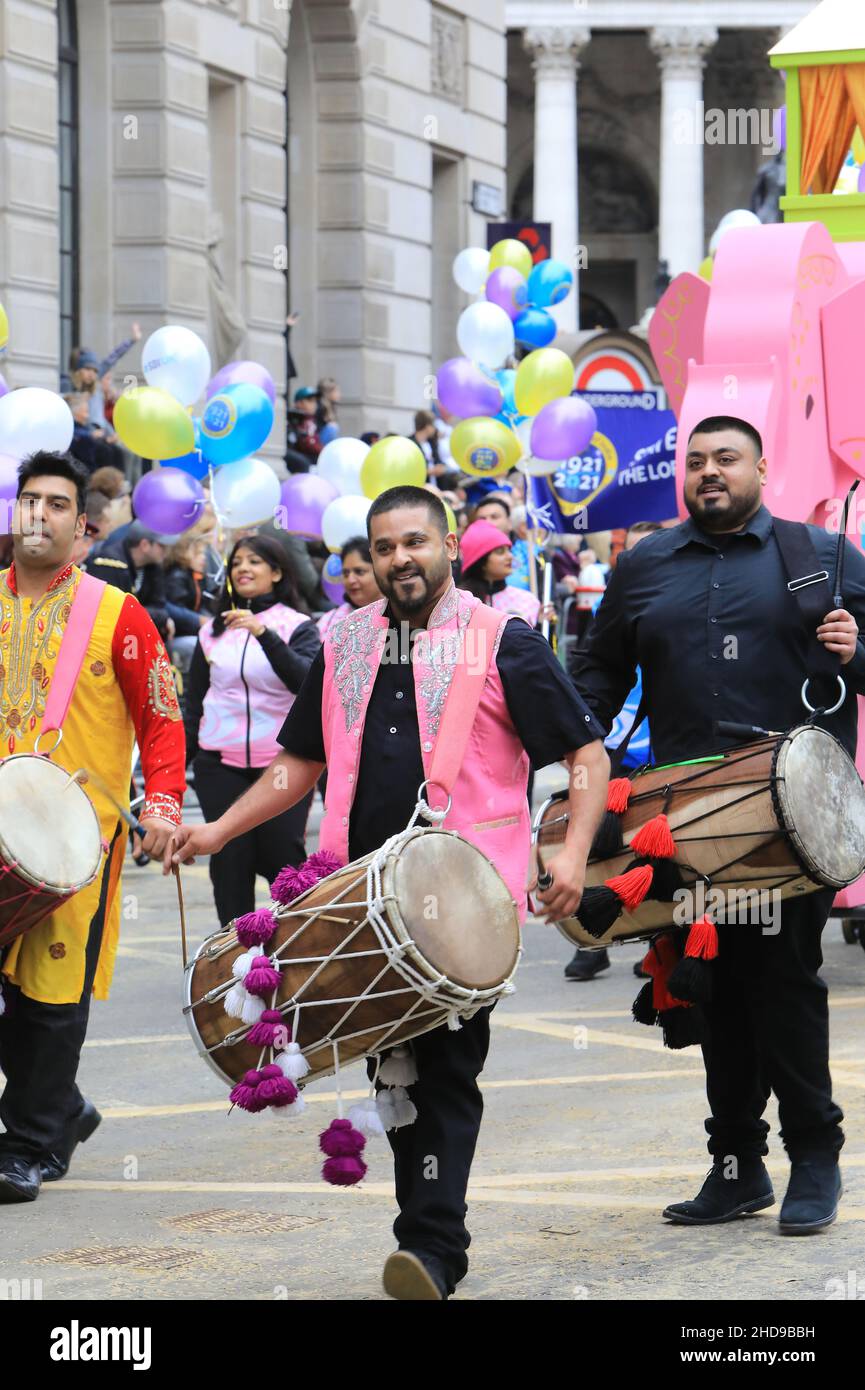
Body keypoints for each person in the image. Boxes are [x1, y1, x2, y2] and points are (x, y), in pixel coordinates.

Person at [167, 484, 610, 1300]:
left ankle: (432, 1248)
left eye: (415, 542)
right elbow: (298, 763)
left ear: (446, 548)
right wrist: (218, 830)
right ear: (367, 559)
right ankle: (424, 1236)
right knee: (392, 1068)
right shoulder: (344, 644)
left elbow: (585, 754)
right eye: (383, 546)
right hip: (356, 898)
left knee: (443, 1069)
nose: (399, 558)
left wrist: (574, 854)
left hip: (464, 905)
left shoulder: (502, 640)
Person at [573, 414, 865, 1235]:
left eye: (725, 458)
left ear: (760, 469)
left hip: (788, 816)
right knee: (714, 988)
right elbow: (597, 669)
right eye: (696, 460)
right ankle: (735, 1167)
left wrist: (855, 650)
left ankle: (814, 1157)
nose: (708, 471)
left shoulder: (820, 558)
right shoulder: (643, 565)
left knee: (782, 984)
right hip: (680, 818)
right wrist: (573, 737)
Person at [0, 451, 185, 1204]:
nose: (38, 514)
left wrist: (164, 808)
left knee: (49, 997)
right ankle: (62, 1108)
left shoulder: (118, 613)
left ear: (83, 526)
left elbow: (163, 716)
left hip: (75, 844)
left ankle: (31, 1143)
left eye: (56, 504)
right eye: (28, 500)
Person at [183, 536, 321, 927]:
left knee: (284, 862)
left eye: (255, 562)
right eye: (237, 563)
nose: (243, 569)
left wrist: (265, 635)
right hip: (218, 765)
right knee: (229, 864)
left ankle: (296, 953)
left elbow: (305, 684)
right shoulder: (211, 631)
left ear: (276, 573)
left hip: (281, 768)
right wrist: (179, 767)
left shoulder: (297, 626)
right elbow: (195, 702)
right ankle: (235, 961)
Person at [564, 520, 660, 983]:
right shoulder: (611, 603)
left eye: (650, 551)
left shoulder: (687, 600)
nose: (638, 562)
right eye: (631, 553)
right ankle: (595, 937)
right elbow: (592, 667)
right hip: (617, 740)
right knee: (602, 836)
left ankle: (661, 940)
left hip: (666, 741)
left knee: (660, 844)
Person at [459, 519, 541, 626]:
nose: (510, 557)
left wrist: (543, 625)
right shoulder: (459, 602)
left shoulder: (527, 600)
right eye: (500, 552)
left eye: (508, 550)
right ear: (481, 561)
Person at [317, 536, 381, 638]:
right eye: (345, 574)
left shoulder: (400, 615)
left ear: (380, 571)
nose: (350, 580)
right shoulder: (329, 621)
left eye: (359, 572)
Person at [286, 386, 322, 472]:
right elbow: (306, 442)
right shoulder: (293, 418)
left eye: (315, 401)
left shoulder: (312, 420)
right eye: (310, 401)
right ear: (298, 403)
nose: (314, 405)